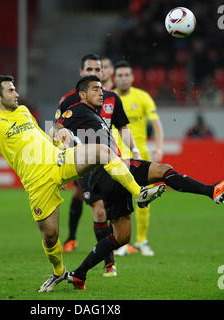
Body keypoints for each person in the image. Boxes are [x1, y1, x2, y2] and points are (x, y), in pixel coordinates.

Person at [0, 75, 158, 292]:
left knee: (103, 152)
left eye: (15, 89)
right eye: (11, 90)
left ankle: (140, 192)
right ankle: (58, 272)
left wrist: (57, 139)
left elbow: (38, 135)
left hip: (58, 160)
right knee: (50, 236)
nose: (17, 94)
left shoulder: (22, 111)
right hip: (37, 182)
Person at [52, 75, 224, 290]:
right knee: (163, 170)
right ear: (83, 94)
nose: (101, 92)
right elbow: (56, 128)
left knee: (121, 236)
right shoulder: (76, 109)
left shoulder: (96, 116)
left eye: (101, 88)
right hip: (109, 169)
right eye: (95, 89)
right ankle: (212, 191)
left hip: (109, 175)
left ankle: (79, 275)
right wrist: (60, 135)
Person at [57, 53, 141, 276]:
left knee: (115, 211)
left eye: (97, 70)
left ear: (103, 73)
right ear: (81, 72)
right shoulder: (68, 101)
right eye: (90, 70)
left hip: (113, 161)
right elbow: (57, 129)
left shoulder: (112, 98)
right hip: (86, 164)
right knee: (99, 210)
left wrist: (134, 150)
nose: (94, 73)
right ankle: (108, 262)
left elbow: (122, 127)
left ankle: (117, 245)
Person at [112, 60, 165, 256]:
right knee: (119, 199)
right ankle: (121, 242)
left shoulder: (143, 97)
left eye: (127, 75)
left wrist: (158, 147)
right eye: (120, 75)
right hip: (117, 154)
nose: (124, 78)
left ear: (132, 77)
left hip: (140, 152)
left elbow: (156, 124)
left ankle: (142, 240)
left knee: (145, 197)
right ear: (114, 78)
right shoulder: (109, 98)